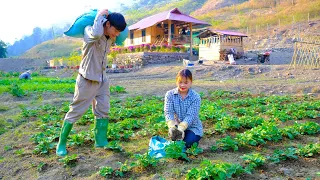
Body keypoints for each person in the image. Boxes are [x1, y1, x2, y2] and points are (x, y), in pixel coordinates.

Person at [56, 9, 127, 156]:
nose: (117, 35)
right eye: (116, 30)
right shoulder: (89, 31)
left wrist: (115, 33)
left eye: (119, 32)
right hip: (87, 79)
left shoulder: (110, 38)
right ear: (107, 24)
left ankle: (100, 141)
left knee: (103, 109)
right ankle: (61, 144)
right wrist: (100, 16)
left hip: (102, 78)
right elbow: (95, 34)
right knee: (76, 111)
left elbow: (118, 37)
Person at [164, 69, 203, 148]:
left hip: (193, 127)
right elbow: (169, 112)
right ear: (176, 82)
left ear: (191, 82)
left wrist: (182, 127)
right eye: (180, 82)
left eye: (186, 82)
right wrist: (172, 127)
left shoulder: (195, 97)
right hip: (177, 126)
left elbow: (191, 116)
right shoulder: (170, 94)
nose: (182, 85)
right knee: (176, 144)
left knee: (186, 143)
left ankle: (192, 141)